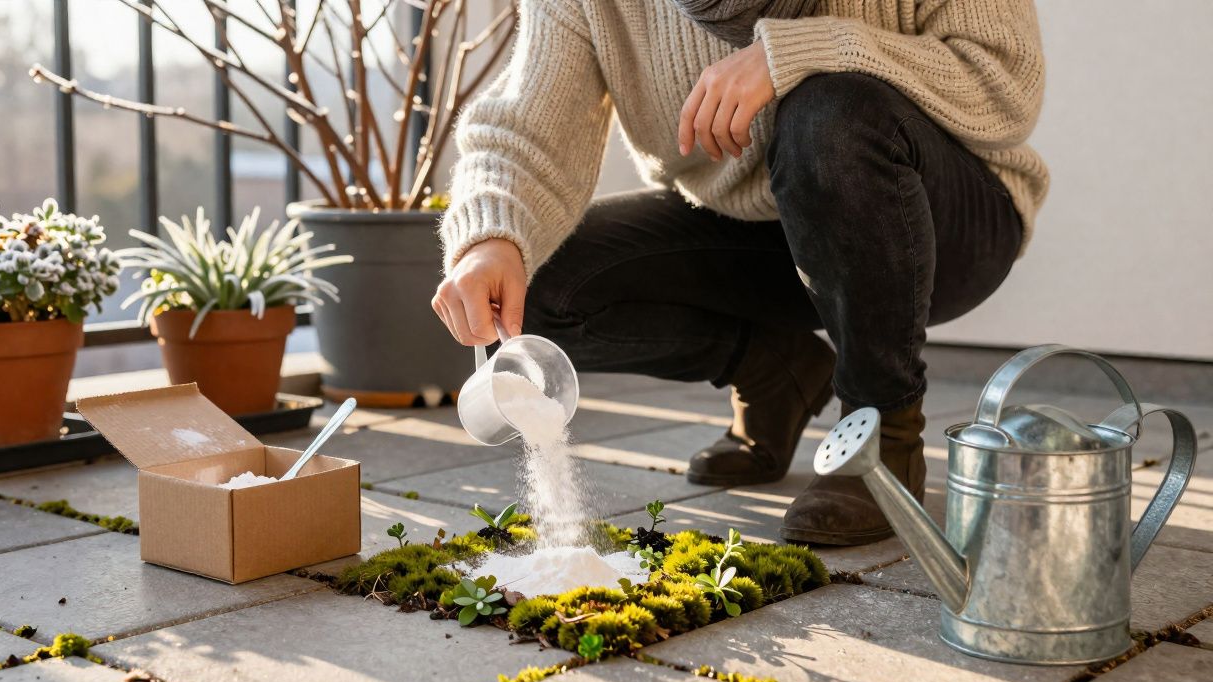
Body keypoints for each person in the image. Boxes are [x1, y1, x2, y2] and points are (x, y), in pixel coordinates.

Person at [431, 0, 1047, 546]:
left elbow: (1002, 81)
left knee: (828, 114)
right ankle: (774, 374)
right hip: (756, 225)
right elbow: (529, 126)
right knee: (534, 280)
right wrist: (491, 238)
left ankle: (879, 435)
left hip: (938, 219)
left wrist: (795, 53)